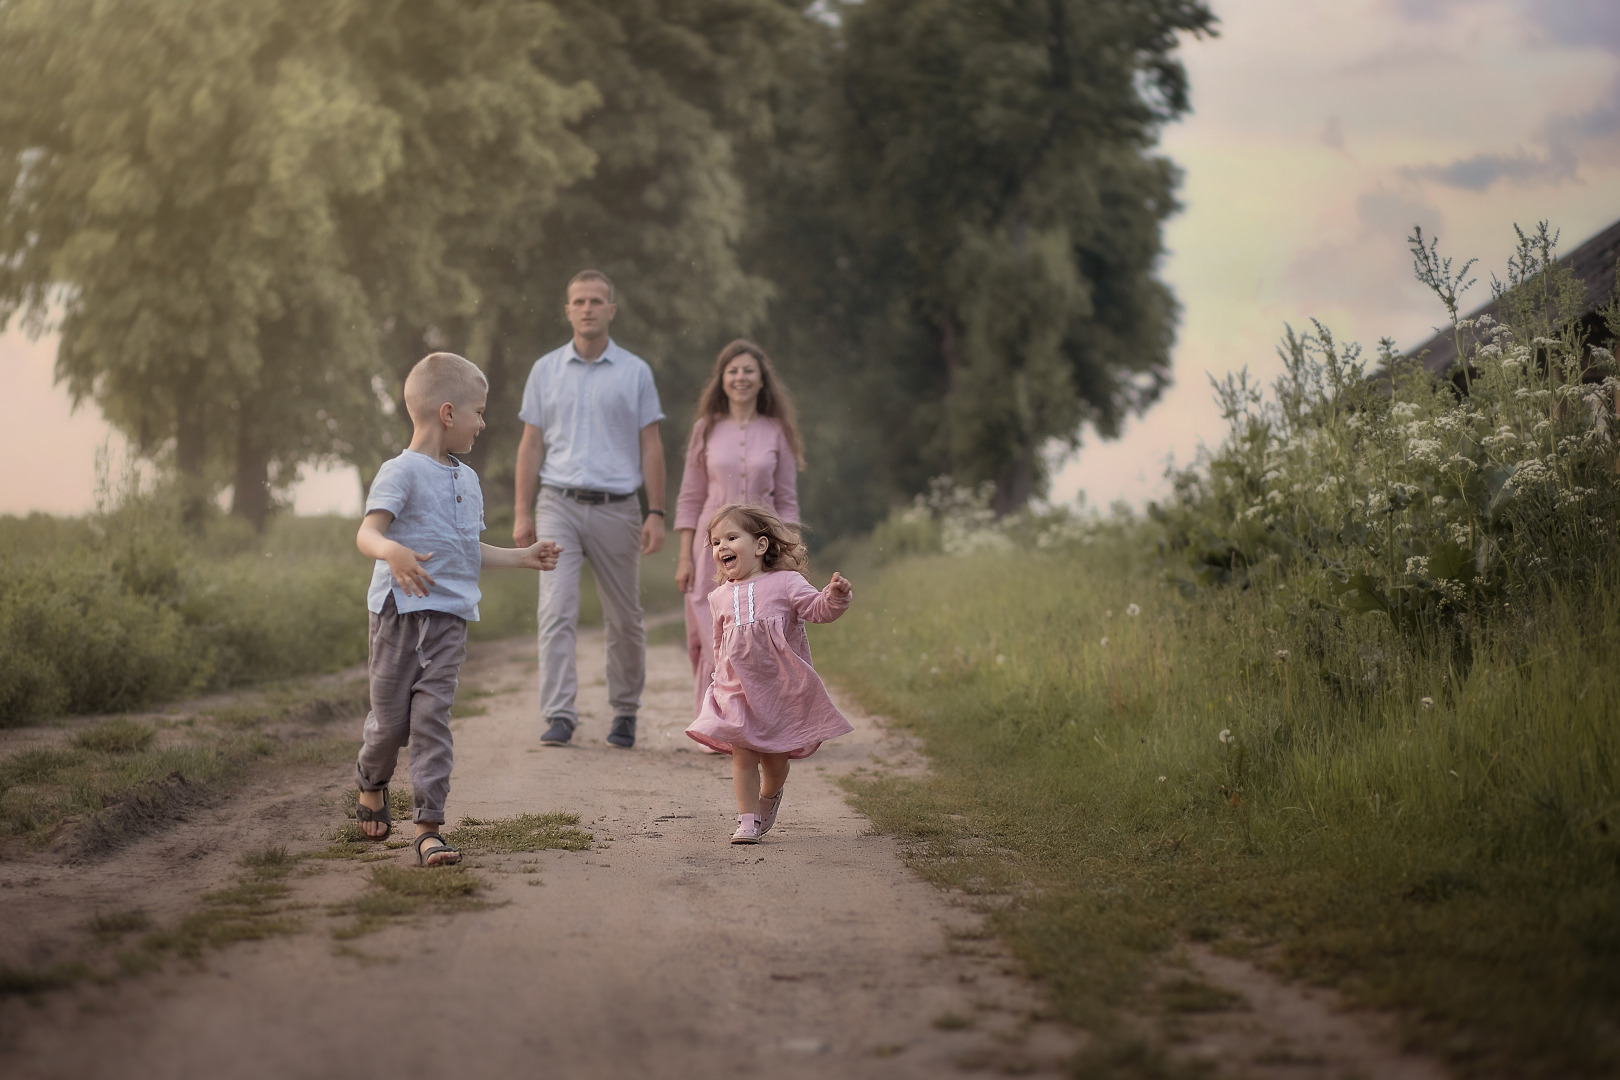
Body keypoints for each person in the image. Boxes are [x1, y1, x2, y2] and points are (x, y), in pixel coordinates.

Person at [354, 352, 561, 866]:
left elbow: (467, 551)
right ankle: (371, 780)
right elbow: (368, 534)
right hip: (397, 614)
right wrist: (393, 552)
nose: (483, 422)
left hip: (448, 620)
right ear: (448, 413)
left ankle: (428, 829)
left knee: (431, 722)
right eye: (479, 412)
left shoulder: (466, 480)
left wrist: (523, 558)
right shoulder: (399, 472)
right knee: (389, 725)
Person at [514, 270, 666, 750]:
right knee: (557, 608)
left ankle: (624, 711)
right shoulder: (544, 370)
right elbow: (531, 444)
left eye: (596, 301)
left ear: (611, 310)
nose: (587, 308)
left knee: (624, 616)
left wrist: (656, 511)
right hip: (557, 502)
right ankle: (559, 713)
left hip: (617, 507)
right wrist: (522, 511)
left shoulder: (636, 372)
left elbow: (651, 445)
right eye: (578, 301)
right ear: (567, 309)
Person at [685, 503, 854, 844]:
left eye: (732, 538)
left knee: (774, 763)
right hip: (737, 691)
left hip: (779, 691)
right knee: (743, 755)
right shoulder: (718, 596)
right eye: (716, 542)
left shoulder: (786, 582)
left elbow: (817, 610)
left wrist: (835, 597)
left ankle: (770, 795)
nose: (721, 548)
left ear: (760, 546)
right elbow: (720, 646)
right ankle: (747, 820)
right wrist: (717, 682)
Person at [673, 340, 804, 724]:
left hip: (766, 550)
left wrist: (793, 552)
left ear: (762, 379)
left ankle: (762, 725)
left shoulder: (777, 430)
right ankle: (718, 724)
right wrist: (684, 556)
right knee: (717, 638)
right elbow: (690, 495)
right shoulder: (706, 429)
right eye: (733, 371)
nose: (740, 377)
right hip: (711, 551)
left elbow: (788, 499)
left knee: (760, 636)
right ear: (722, 379)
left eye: (748, 370)